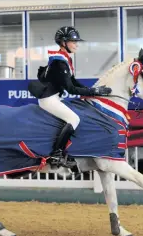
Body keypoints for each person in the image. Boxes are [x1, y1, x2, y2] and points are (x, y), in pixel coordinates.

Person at [28, 26, 112, 168]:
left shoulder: (65, 59)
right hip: (49, 99)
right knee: (74, 118)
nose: (76, 45)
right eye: (73, 42)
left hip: (55, 97)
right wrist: (94, 91)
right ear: (63, 43)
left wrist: (92, 90)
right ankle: (57, 153)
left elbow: (73, 81)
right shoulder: (60, 62)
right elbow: (71, 89)